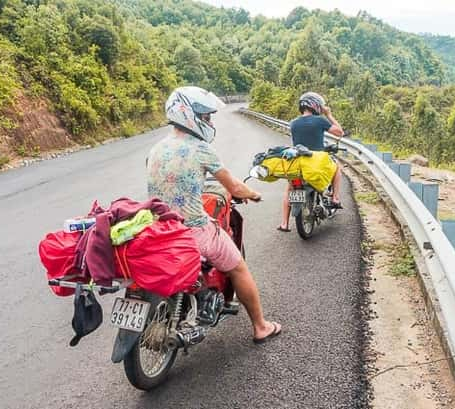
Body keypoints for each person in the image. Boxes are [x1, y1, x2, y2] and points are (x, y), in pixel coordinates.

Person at [147, 86, 282, 344]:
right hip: (193, 230)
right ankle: (261, 326)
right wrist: (253, 194)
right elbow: (234, 187)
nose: (209, 121)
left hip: (158, 228)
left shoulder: (156, 148)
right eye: (206, 116)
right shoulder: (199, 148)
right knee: (239, 268)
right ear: (189, 115)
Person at [277, 92, 344, 232]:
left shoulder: (293, 123)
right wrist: (329, 115)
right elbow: (339, 132)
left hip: (297, 162)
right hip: (315, 161)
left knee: (290, 190)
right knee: (337, 167)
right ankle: (336, 198)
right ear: (315, 105)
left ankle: (284, 223)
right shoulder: (320, 121)